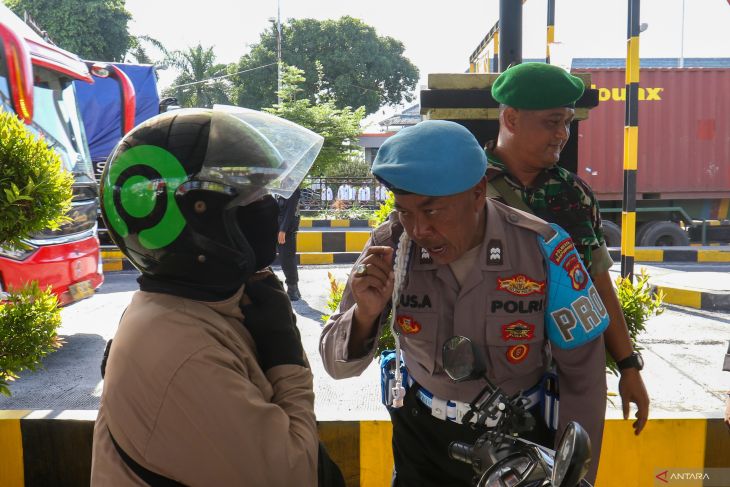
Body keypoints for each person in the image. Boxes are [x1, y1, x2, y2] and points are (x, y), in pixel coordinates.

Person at [320, 120, 608, 486]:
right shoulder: (390, 248)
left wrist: (576, 480)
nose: (419, 229)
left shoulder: (542, 250)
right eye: (405, 211)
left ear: (478, 192)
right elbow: (336, 366)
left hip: (517, 447)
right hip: (420, 443)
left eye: (432, 210)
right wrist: (365, 313)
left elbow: (583, 376)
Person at [91, 107, 343, 486]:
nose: (269, 208)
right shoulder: (185, 353)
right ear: (199, 221)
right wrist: (286, 359)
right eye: (253, 200)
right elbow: (296, 473)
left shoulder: (196, 307)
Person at [485, 62, 650, 435]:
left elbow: (597, 285)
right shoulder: (469, 188)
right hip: (490, 383)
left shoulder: (573, 193)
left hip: (569, 378)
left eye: (568, 123)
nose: (563, 134)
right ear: (511, 118)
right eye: (551, 122)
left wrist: (629, 366)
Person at [278, 187, 302, 301]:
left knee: (287, 259)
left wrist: (283, 230)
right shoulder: (284, 189)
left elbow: (290, 212)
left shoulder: (291, 190)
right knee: (287, 259)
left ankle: (292, 289)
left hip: (286, 232)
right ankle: (295, 289)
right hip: (281, 229)